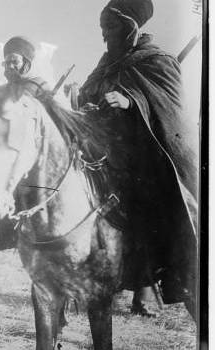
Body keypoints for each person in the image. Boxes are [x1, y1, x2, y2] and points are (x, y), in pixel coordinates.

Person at [77, 0, 198, 316]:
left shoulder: (158, 62)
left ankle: (177, 283)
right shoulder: (106, 63)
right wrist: (88, 100)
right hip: (107, 157)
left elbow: (170, 112)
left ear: (131, 26)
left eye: (111, 26)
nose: (105, 35)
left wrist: (130, 101)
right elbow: (88, 94)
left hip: (147, 160)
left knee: (158, 223)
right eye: (102, 27)